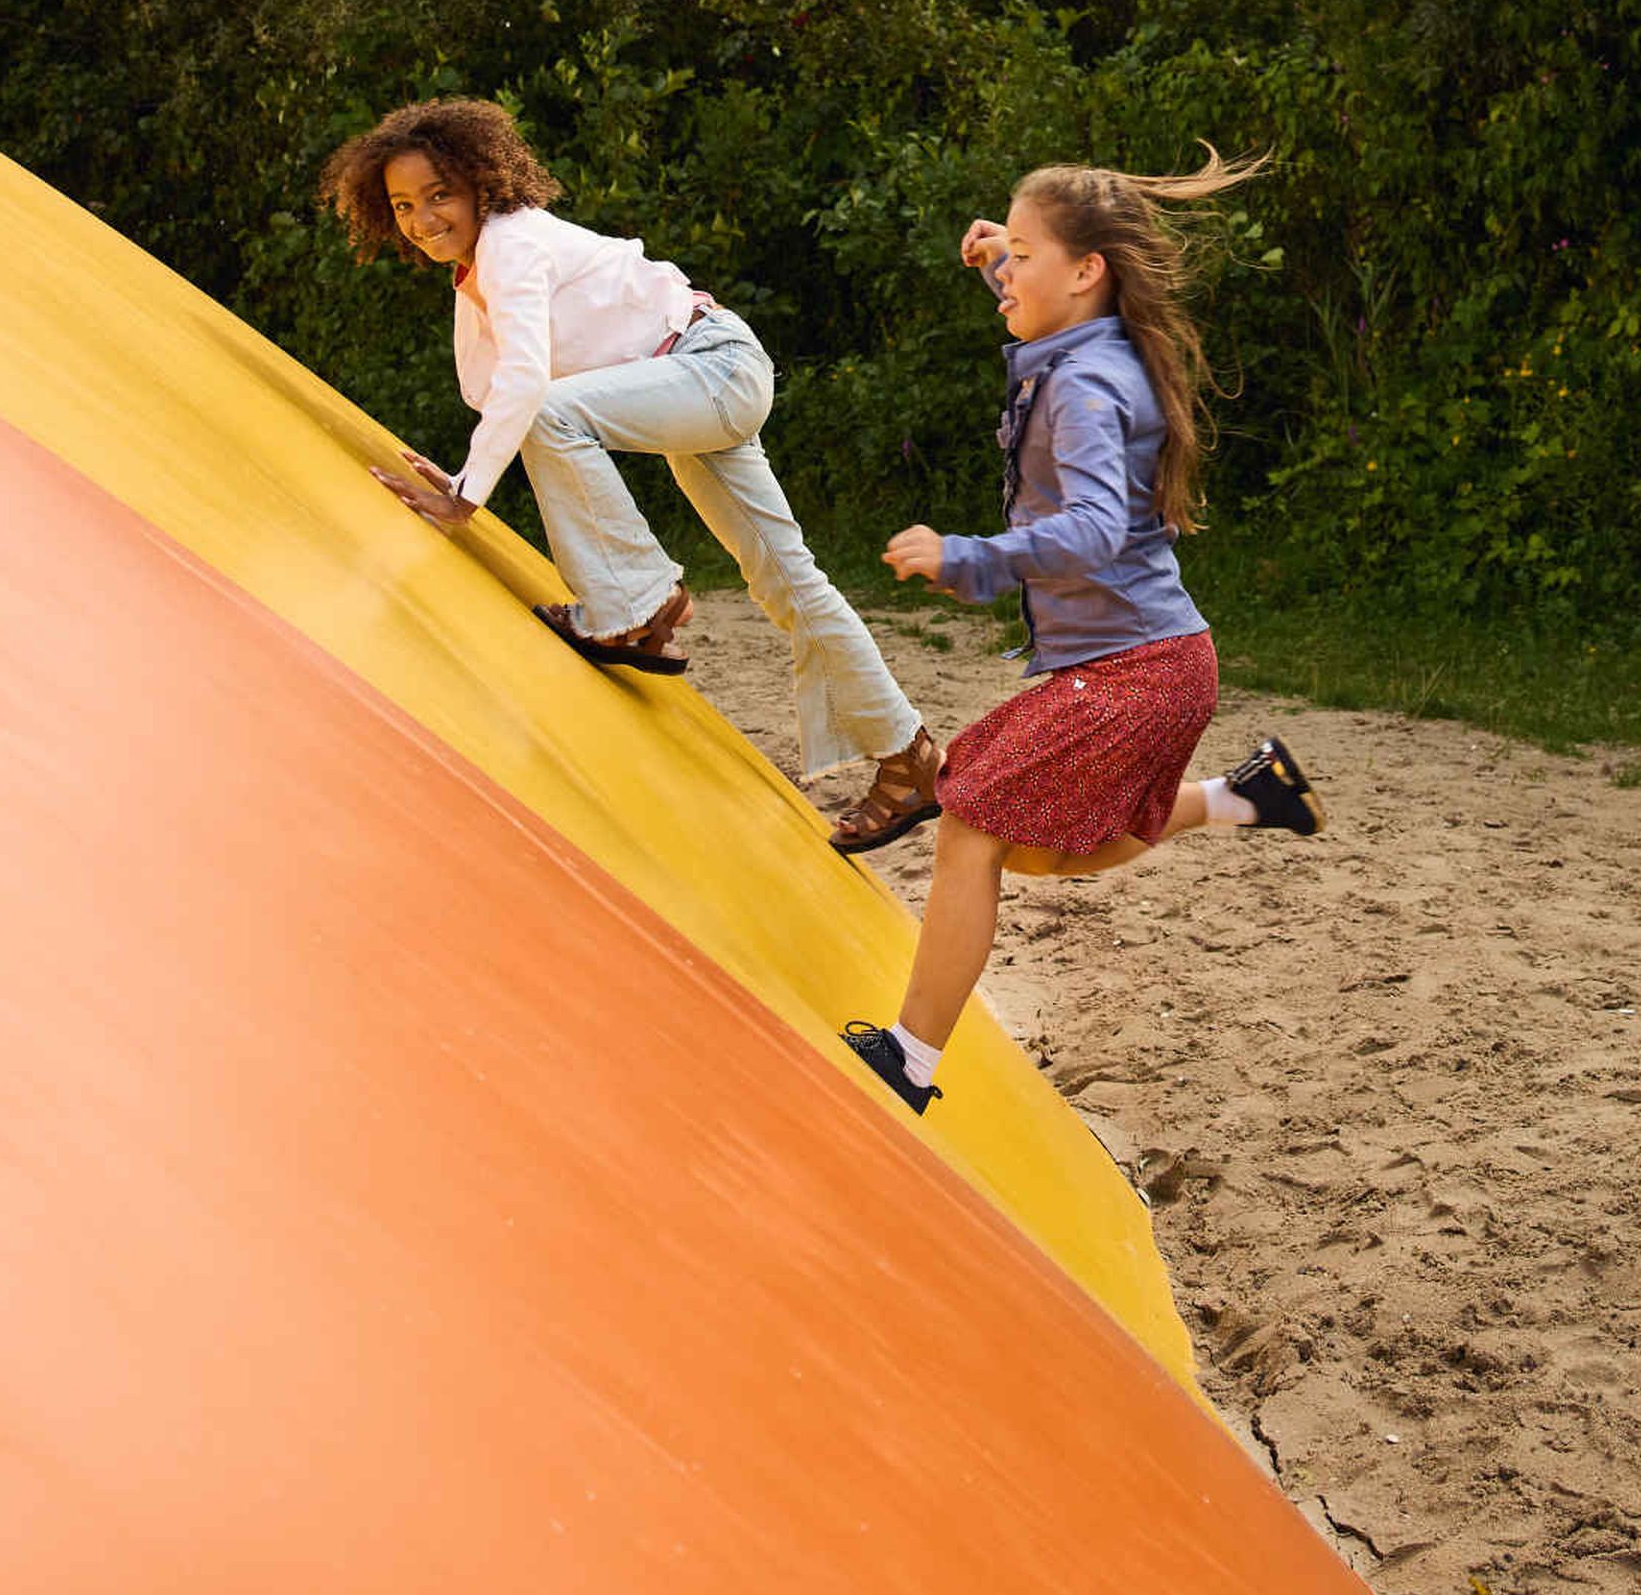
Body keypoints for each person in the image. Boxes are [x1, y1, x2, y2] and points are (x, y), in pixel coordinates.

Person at [830, 152, 1327, 1117]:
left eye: (1022, 255)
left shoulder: (1086, 387)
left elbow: (1097, 529)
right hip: (1154, 663)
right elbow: (1043, 313)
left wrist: (968, 557)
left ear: (1087, 269)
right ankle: (1245, 798)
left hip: (1138, 670)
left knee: (970, 815)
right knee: (1054, 850)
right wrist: (998, 260)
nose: (1005, 274)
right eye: (1003, 254)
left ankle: (908, 1062)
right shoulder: (1090, 351)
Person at [320, 98, 943, 831]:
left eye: (438, 195)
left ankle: (633, 608)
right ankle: (909, 759)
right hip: (698, 378)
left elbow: (527, 389)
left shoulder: (511, 245)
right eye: (402, 205)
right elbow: (492, 391)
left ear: (480, 184)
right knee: (788, 581)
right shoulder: (476, 273)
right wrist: (465, 471)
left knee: (550, 410)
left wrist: (467, 495)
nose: (423, 218)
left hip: (710, 367)